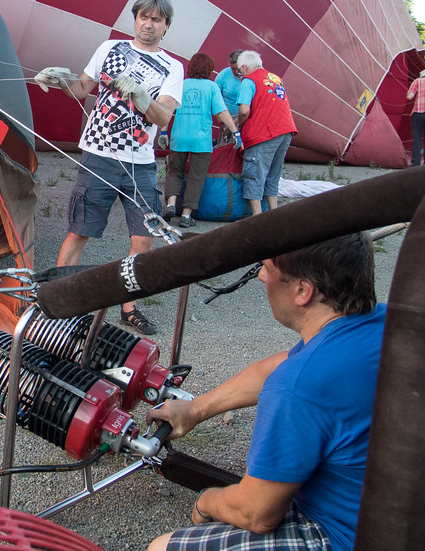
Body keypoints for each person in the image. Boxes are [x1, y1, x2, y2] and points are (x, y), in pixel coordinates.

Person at [147, 232, 384, 551]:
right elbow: (277, 365)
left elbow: (256, 513)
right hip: (395, 510)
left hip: (348, 535)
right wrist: (197, 409)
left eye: (268, 267)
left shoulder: (298, 385)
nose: (261, 275)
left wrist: (208, 502)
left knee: (161, 548)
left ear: (303, 291)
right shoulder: (384, 321)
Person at [34, 0, 183, 335]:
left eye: (157, 19)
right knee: (79, 231)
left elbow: (162, 115)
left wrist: (142, 96)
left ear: (166, 26)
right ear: (135, 19)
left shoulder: (174, 67)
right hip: (98, 157)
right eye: (144, 16)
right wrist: (60, 79)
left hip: (141, 164)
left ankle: (129, 308)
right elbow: (81, 90)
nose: (149, 24)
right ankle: (60, 300)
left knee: (143, 239)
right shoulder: (109, 49)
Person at [163, 53, 241, 228]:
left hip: (179, 137)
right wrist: (235, 132)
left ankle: (170, 205)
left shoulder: (181, 85)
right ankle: (186, 215)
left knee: (175, 171)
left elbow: (166, 109)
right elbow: (222, 113)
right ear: (209, 69)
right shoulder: (211, 87)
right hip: (201, 140)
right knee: (196, 177)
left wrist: (162, 132)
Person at [234, 51, 296, 215]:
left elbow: (244, 110)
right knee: (273, 174)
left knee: (254, 173)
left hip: (264, 132)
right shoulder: (275, 78)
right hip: (285, 130)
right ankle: (274, 214)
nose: (240, 74)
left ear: (245, 67)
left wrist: (237, 126)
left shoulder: (249, 80)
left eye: (240, 70)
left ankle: (258, 216)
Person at [214, 49, 245, 120]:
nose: (236, 72)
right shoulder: (223, 74)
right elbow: (214, 97)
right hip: (226, 119)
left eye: (238, 68)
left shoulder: (250, 77)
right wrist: (220, 120)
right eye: (233, 69)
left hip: (245, 120)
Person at [406, 68, 425, 166]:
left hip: (418, 113)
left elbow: (409, 96)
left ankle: (415, 163)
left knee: (417, 138)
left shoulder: (417, 81)